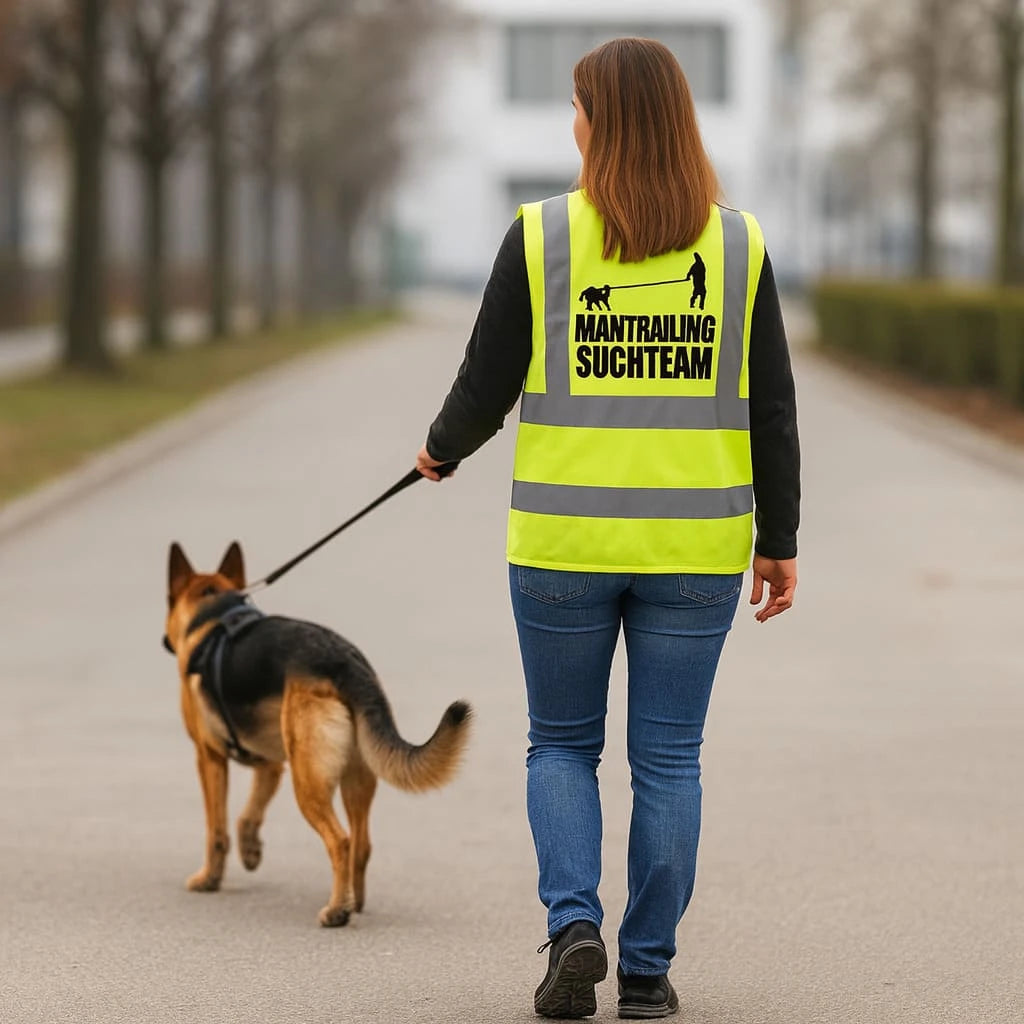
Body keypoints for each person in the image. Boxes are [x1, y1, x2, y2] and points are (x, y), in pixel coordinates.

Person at [415, 37, 800, 1021]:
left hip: (561, 548)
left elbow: (483, 384)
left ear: (606, 122)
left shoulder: (540, 236)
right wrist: (780, 539)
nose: (571, 123)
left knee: (560, 745)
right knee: (669, 758)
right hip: (695, 552)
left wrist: (439, 449)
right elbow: (772, 411)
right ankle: (646, 972)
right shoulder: (739, 245)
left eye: (579, 107)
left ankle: (573, 924)